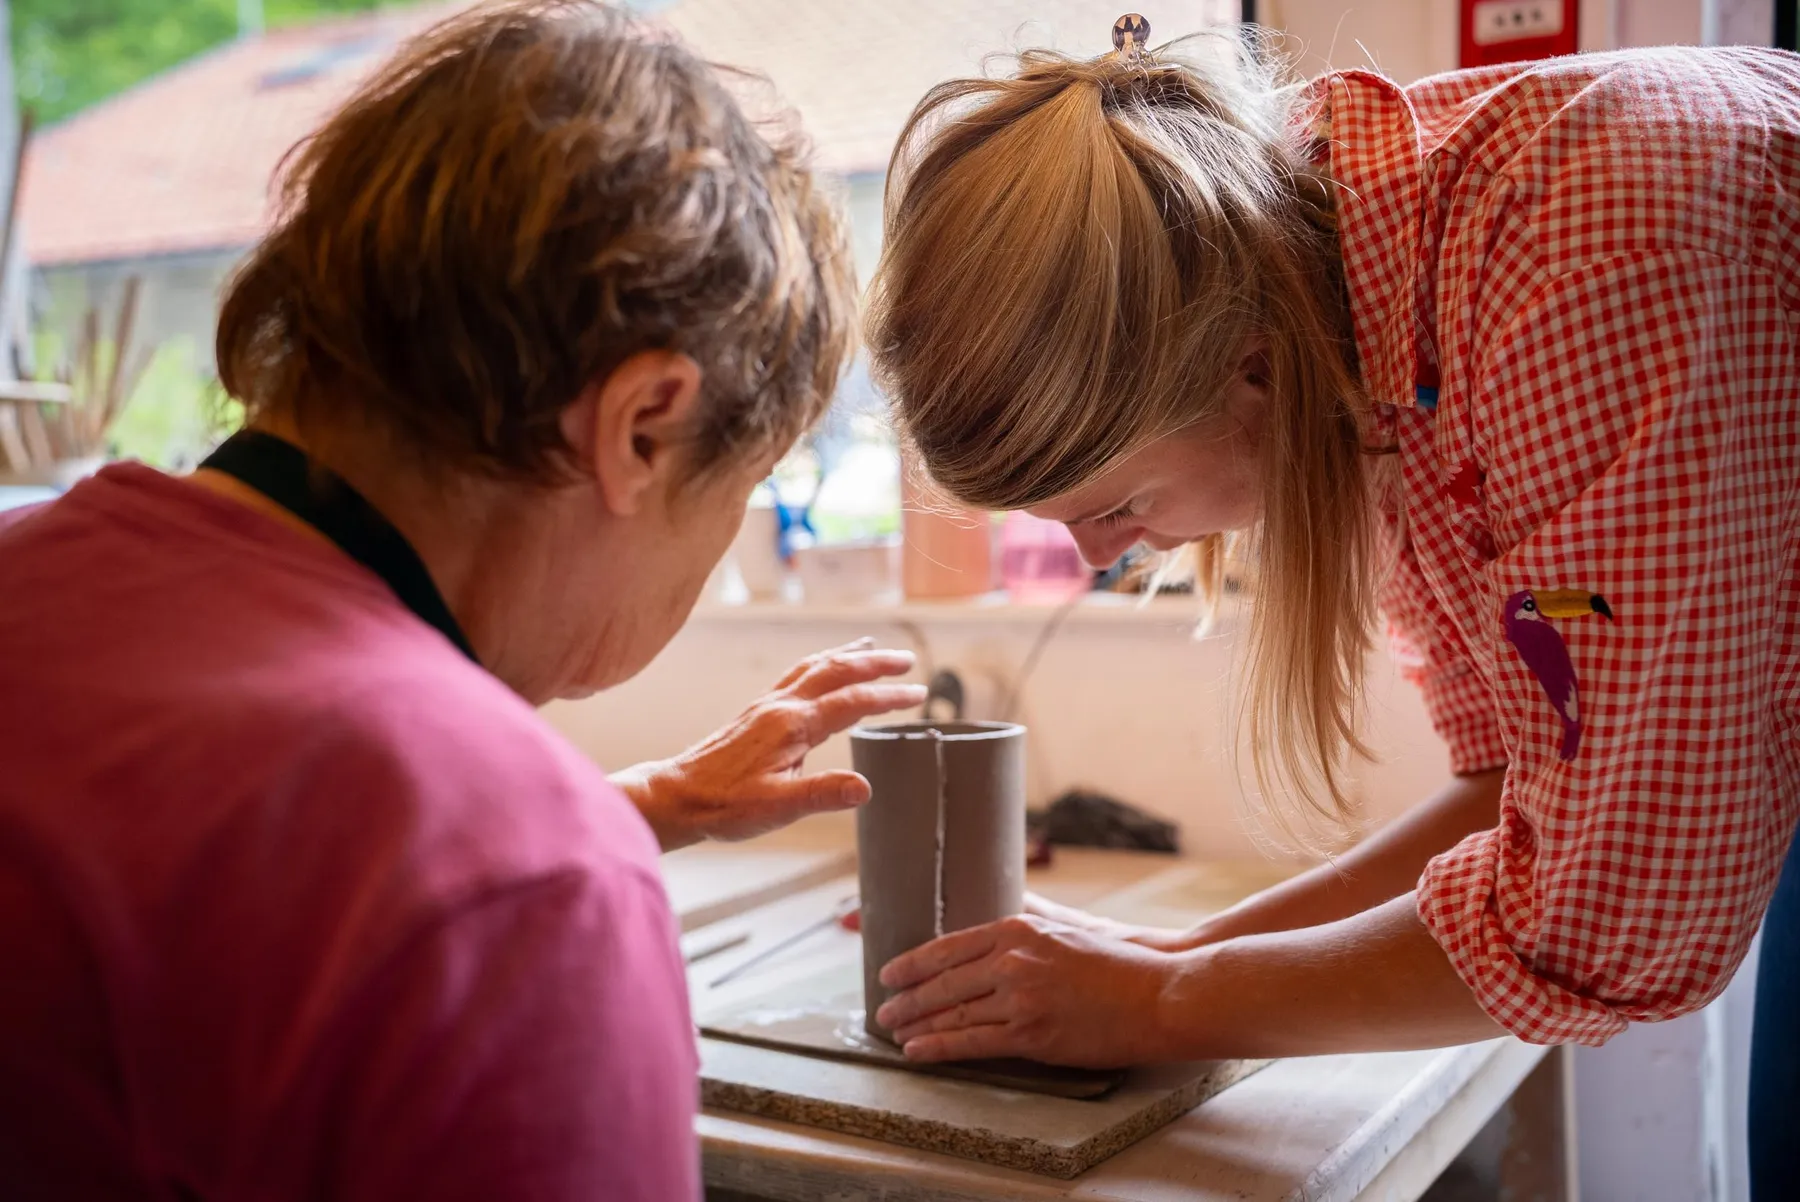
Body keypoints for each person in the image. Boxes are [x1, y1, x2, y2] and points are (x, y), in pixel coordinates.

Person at [863, 14, 1798, 1196]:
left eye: (1118, 501)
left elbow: (1610, 906)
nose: (1104, 555)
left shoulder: (1584, 254)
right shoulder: (1381, 344)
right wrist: (1182, 949)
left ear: (1248, 365)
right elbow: (1510, 785)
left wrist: (1160, 1002)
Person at [0, 3, 924, 1198]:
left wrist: (634, 805)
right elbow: (435, 870)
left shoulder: (33, 579)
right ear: (643, 427)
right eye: (743, 484)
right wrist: (553, 843)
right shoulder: (524, 884)